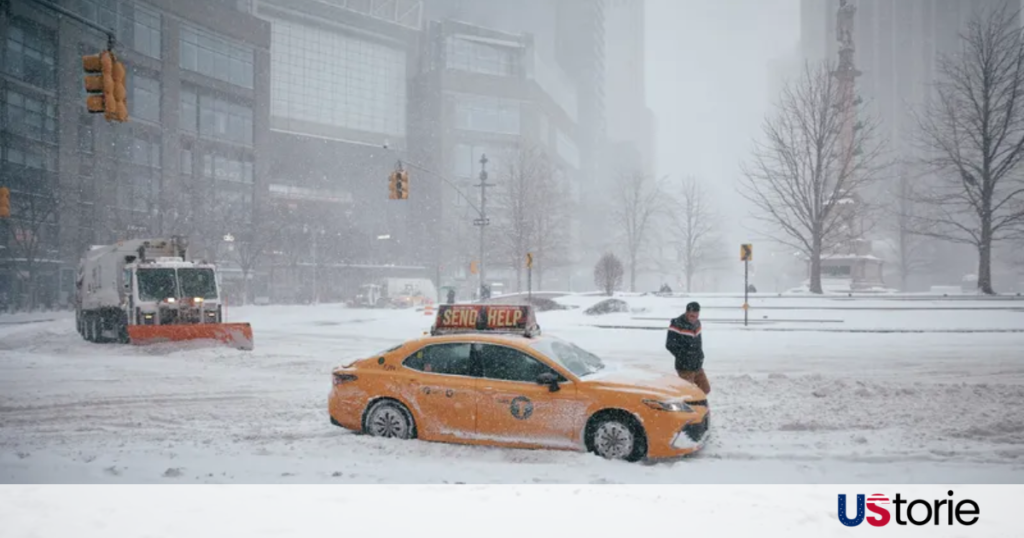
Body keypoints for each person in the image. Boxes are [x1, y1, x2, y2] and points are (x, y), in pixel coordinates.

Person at [665, 301, 711, 395]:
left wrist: (700, 355)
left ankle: (698, 407)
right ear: (687, 313)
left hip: (697, 364)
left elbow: (699, 342)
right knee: (687, 394)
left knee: (705, 389)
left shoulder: (697, 323)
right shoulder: (677, 324)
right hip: (684, 367)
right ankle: (686, 408)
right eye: (692, 316)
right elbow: (669, 344)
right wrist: (684, 356)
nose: (694, 319)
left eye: (696, 316)